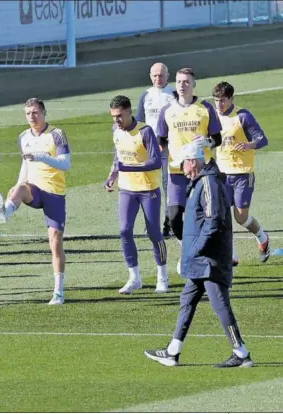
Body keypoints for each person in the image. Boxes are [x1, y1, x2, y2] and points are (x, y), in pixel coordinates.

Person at [145, 142, 254, 368]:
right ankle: (173, 351)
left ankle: (241, 353)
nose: (181, 168)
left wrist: (196, 249)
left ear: (192, 162)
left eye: (183, 163)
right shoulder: (202, 182)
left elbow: (213, 220)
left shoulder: (208, 183)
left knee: (220, 305)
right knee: (187, 300)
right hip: (202, 260)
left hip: (209, 259)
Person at [0, 98, 69, 306]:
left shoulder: (57, 134)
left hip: (54, 192)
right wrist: (16, 187)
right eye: (28, 113)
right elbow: (25, 165)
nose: (32, 117)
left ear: (44, 113)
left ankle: (58, 292)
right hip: (33, 189)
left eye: (35, 112)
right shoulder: (23, 137)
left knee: (55, 242)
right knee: (18, 189)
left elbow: (66, 163)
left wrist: (43, 157)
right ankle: (5, 212)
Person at [156, 68, 222, 275]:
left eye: (186, 82)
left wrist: (205, 143)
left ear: (194, 85)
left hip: (202, 172)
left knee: (202, 215)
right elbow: (160, 141)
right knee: (174, 216)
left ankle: (204, 253)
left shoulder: (205, 108)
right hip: (176, 171)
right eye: (178, 81)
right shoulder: (167, 110)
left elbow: (217, 139)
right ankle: (188, 249)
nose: (182, 85)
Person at [104, 95, 169, 294]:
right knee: (124, 230)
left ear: (129, 112)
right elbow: (118, 155)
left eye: (120, 116)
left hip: (149, 190)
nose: (117, 120)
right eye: (114, 116)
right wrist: (112, 175)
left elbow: (156, 161)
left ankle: (162, 276)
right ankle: (134, 278)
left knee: (154, 233)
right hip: (127, 189)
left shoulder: (145, 131)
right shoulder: (116, 131)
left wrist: (129, 167)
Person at [212, 81, 271, 264]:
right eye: (216, 100)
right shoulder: (212, 117)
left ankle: (262, 237)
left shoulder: (243, 116)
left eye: (222, 101)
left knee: (241, 217)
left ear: (231, 99)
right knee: (221, 216)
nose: (219, 105)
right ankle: (232, 255)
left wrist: (249, 145)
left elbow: (262, 139)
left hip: (243, 174)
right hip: (221, 174)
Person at [135, 62, 176, 238]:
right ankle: (151, 224)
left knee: (169, 185)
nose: (158, 79)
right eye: (155, 75)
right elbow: (138, 122)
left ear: (168, 75)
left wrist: (165, 141)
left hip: (169, 148)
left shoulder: (174, 94)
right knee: (148, 187)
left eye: (161, 75)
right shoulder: (145, 95)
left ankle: (170, 224)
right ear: (150, 76)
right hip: (148, 148)